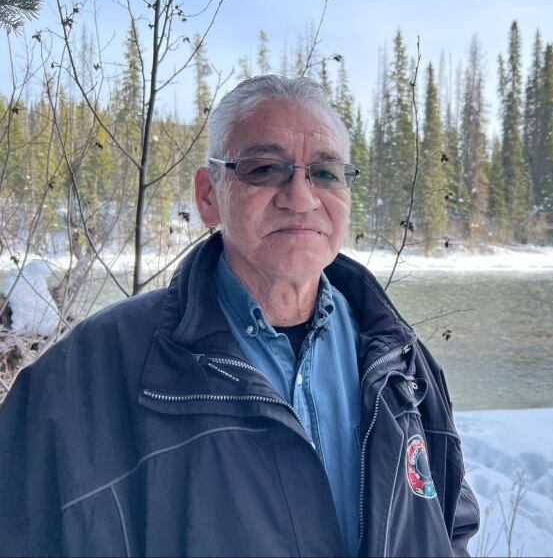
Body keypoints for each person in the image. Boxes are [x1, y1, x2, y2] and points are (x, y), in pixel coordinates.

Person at [0, 75, 480, 557]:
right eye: (265, 168)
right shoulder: (85, 375)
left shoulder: (396, 360)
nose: (301, 196)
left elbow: (449, 528)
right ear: (209, 196)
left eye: (326, 173)